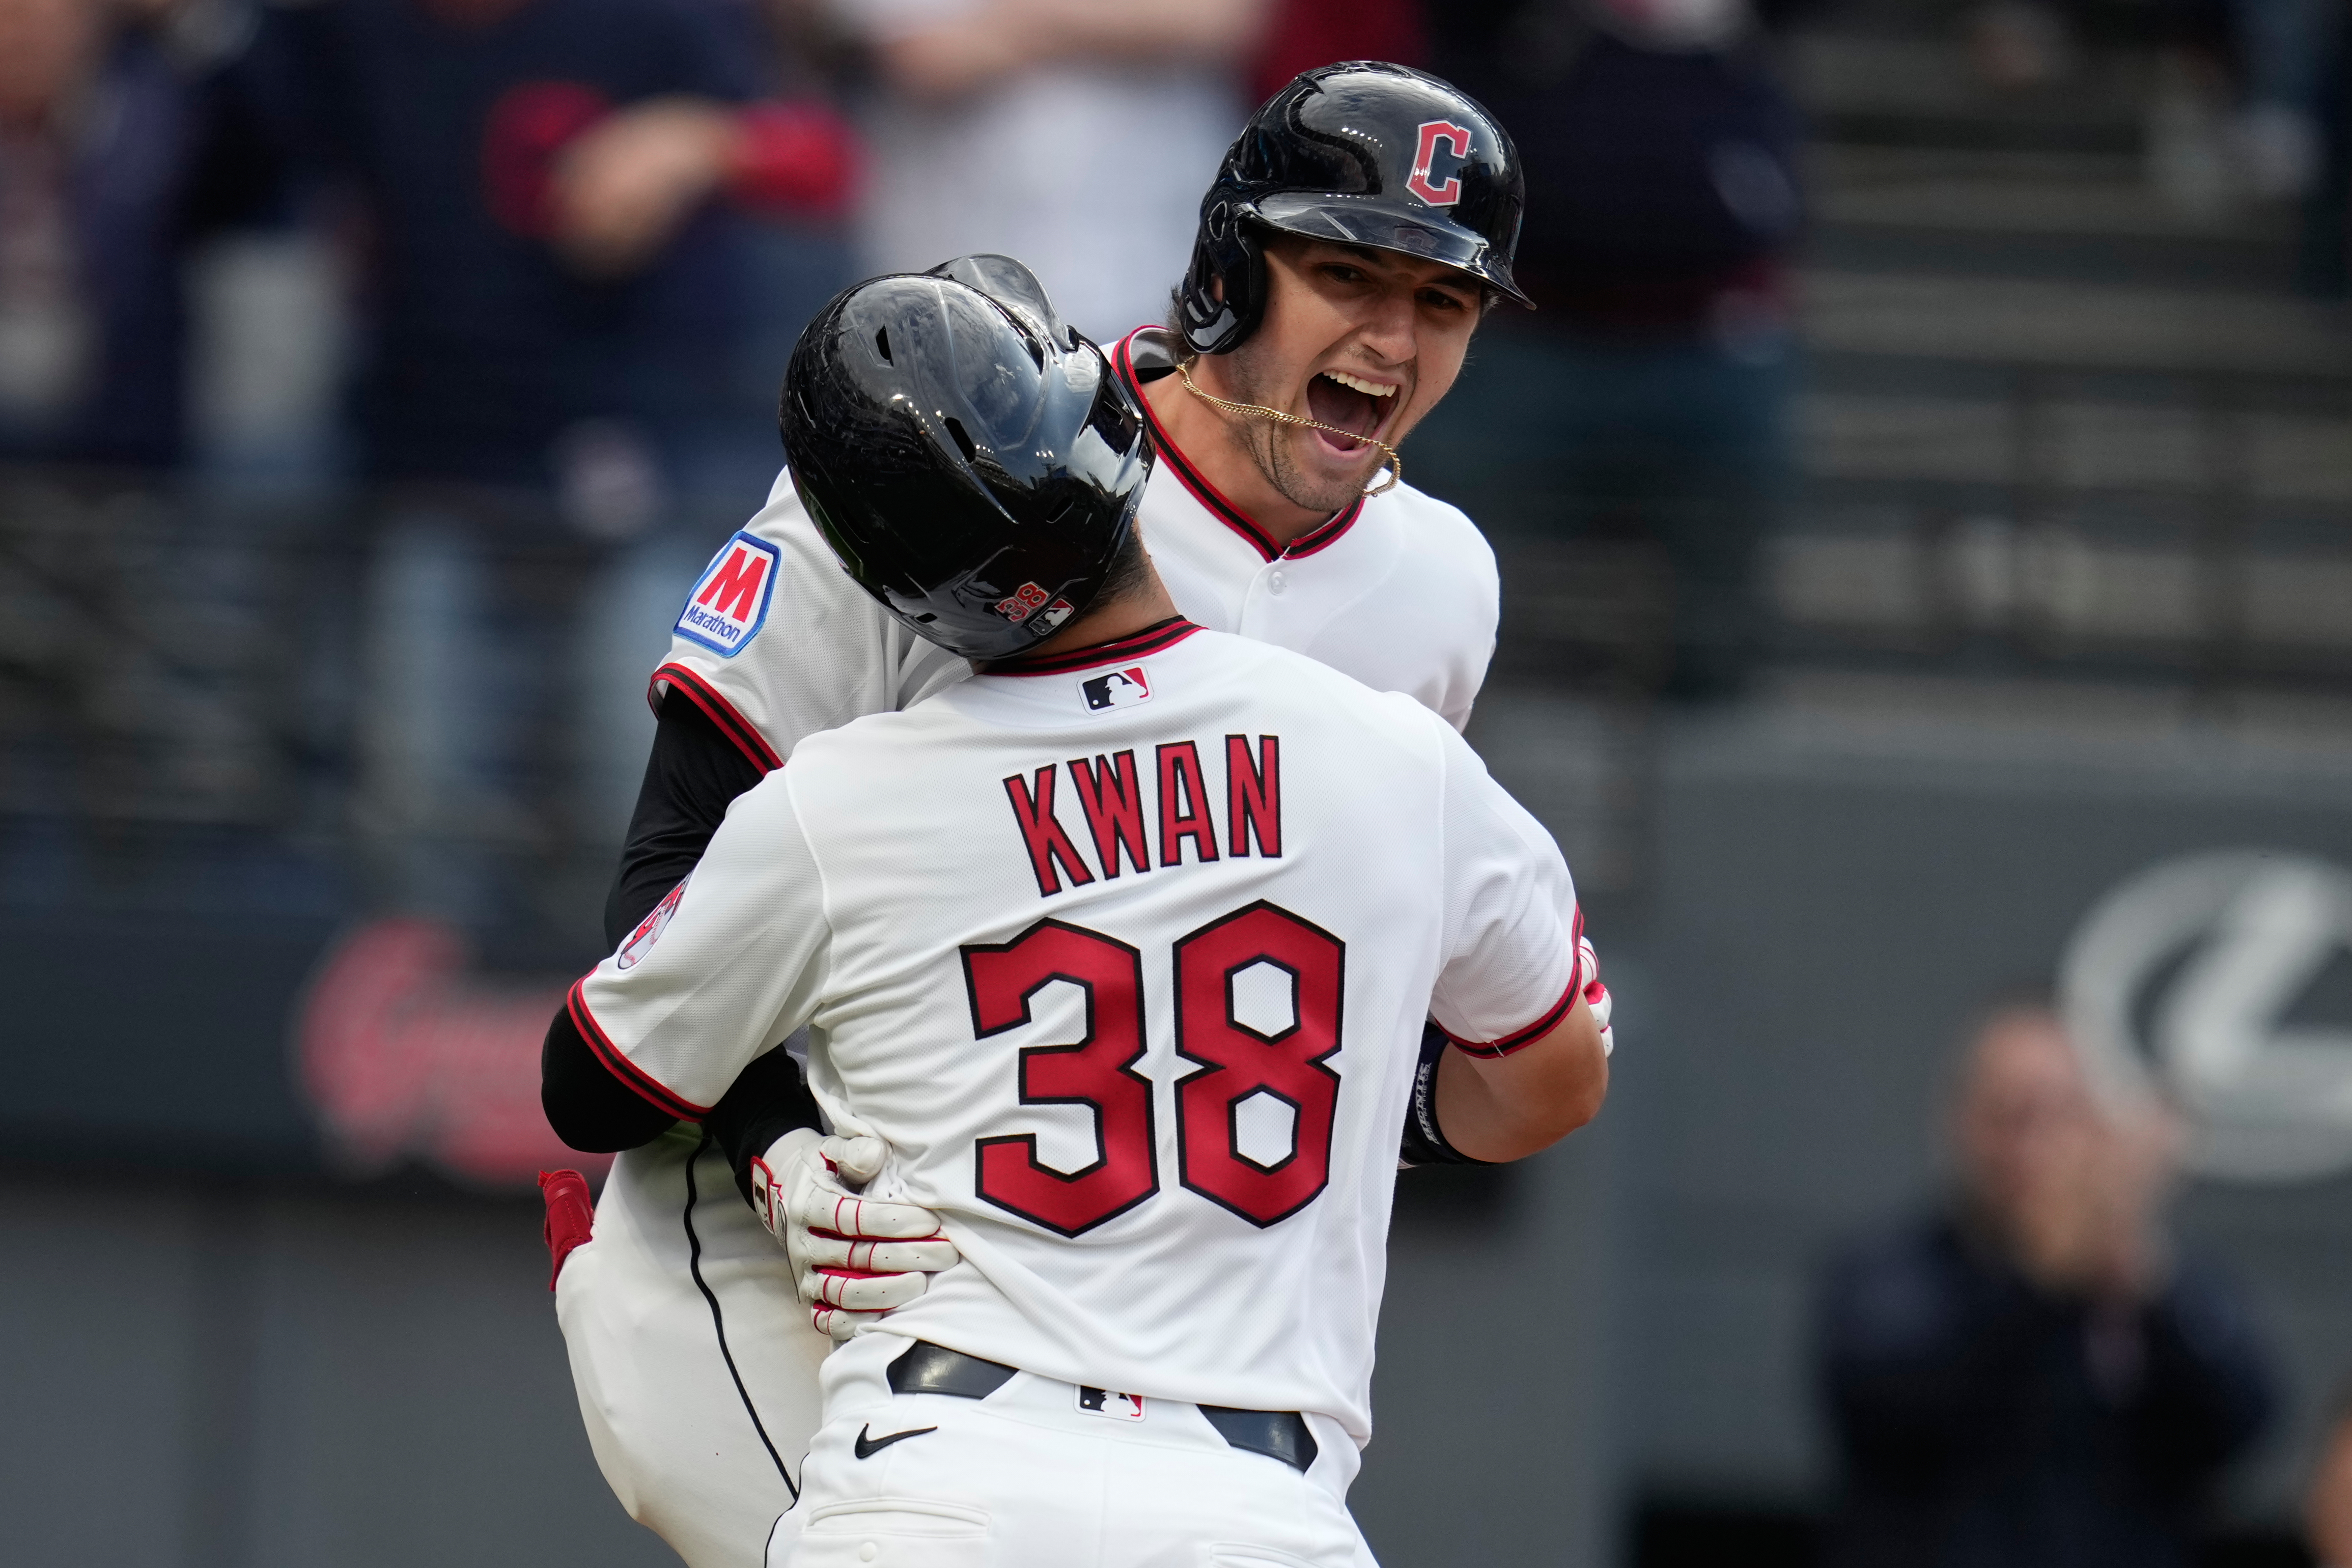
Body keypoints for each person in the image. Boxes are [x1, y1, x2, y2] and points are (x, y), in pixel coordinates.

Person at [545, 64, 1613, 1568]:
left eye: (1441, 304)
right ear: (1236, 264)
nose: (1391, 336)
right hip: (809, 1228)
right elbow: (666, 874)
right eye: (1346, 274)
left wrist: (1324, 1104)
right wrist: (778, 1149)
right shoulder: (972, 460)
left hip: (1145, 1328)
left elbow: (1348, 986)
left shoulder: (1440, 586)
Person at [1815, 996, 2275, 1568]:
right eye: (2009, 1114)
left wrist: (2148, 1286)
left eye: (2061, 1113)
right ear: (1958, 1120)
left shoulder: (2156, 1282)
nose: (2031, 1145)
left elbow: (2246, 1422)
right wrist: (2042, 1278)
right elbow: (1892, 1400)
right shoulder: (1888, 1272)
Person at [831, 0, 1264, 341]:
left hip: (1171, 274)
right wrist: (1132, 24)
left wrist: (1013, 19)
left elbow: (1220, 19)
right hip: (970, 294)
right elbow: (931, 58)